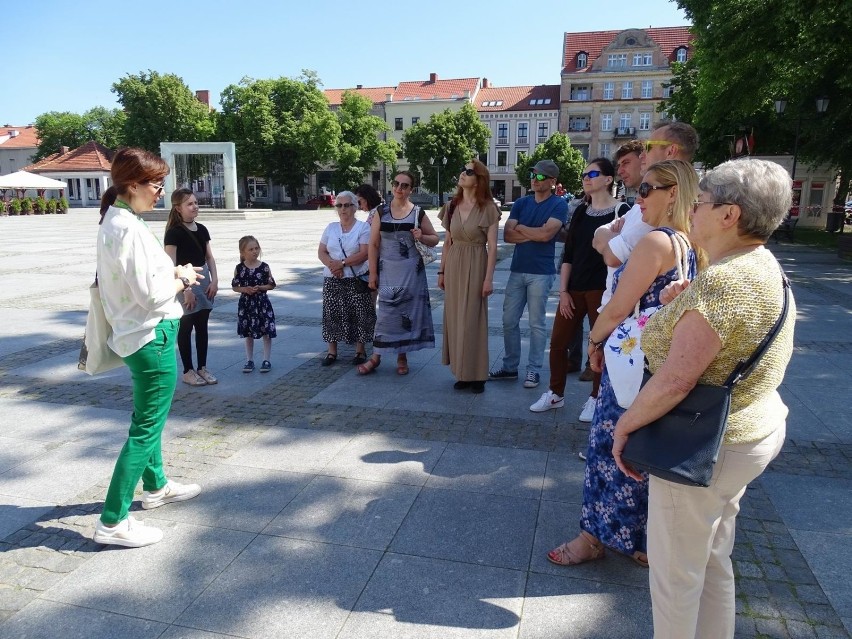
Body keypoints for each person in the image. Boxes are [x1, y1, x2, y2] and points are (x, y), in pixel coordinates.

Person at [613, 158, 795, 637]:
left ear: (729, 214)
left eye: (703, 201)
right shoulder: (761, 265)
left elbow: (675, 381)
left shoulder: (724, 281)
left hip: (703, 446)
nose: (692, 209)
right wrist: (683, 302)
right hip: (750, 432)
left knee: (676, 578)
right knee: (713, 559)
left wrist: (625, 425)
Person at [547, 159, 700, 570]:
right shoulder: (690, 242)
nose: (639, 199)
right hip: (659, 365)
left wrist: (594, 341)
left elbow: (616, 308)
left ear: (673, 194)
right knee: (644, 454)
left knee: (607, 449)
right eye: (639, 190)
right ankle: (643, 541)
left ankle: (591, 537)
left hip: (631, 362)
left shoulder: (656, 242)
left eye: (648, 190)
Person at [92, 147, 202, 548]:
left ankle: (155, 486)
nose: (160, 192)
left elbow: (135, 279)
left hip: (141, 336)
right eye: (156, 185)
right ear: (132, 184)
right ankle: (112, 520)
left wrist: (169, 270)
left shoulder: (117, 219)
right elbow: (153, 296)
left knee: (147, 418)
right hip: (150, 337)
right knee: (145, 429)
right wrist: (184, 277)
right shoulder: (127, 227)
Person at [530, 158, 629, 420]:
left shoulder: (622, 211)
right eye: (584, 174)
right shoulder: (580, 212)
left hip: (603, 290)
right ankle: (555, 393)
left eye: (592, 174)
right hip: (573, 288)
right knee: (558, 343)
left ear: (608, 179)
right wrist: (563, 291)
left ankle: (596, 398)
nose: (586, 178)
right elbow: (569, 254)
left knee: (600, 346)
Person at [490, 159, 568, 389]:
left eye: (541, 176)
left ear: (552, 182)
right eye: (533, 174)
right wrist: (536, 231)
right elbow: (508, 236)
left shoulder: (558, 205)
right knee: (508, 321)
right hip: (517, 270)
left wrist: (523, 229)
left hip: (541, 273)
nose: (535, 179)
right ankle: (510, 367)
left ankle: (533, 370)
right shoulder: (521, 203)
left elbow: (546, 236)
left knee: (536, 324)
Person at [359, 171, 438, 376]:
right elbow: (374, 244)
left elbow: (434, 239)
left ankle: (402, 356)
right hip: (387, 271)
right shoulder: (381, 211)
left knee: (406, 314)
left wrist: (422, 235)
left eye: (405, 185)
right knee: (385, 314)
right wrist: (373, 273)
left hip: (412, 272)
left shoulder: (417, 212)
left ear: (411, 189)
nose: (399, 188)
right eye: (396, 184)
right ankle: (376, 357)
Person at [437, 160, 500, 393]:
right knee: (455, 318)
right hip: (454, 262)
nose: (463, 173)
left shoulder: (489, 208)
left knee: (473, 319)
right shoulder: (451, 205)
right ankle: (462, 371)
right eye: (462, 169)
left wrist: (488, 278)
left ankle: (477, 374)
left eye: (469, 171)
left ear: (480, 178)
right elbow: (447, 242)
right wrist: (441, 270)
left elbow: (493, 246)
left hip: (476, 261)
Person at [164, 188, 219, 386]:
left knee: (202, 326)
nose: (195, 206)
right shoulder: (174, 233)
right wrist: (186, 290)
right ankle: (188, 370)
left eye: (196, 202)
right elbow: (170, 265)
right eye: (189, 204)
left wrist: (215, 280)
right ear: (178, 208)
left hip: (204, 282)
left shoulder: (202, 229)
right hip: (185, 283)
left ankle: (202, 368)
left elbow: (209, 257)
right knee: (186, 327)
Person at [317, 191, 374, 366]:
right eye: (339, 205)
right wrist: (333, 266)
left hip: (355, 278)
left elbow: (364, 253)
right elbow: (321, 251)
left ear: (354, 207)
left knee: (359, 314)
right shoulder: (331, 227)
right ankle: (332, 352)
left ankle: (360, 351)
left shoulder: (363, 228)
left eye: (347, 205)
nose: (343, 209)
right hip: (333, 278)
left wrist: (342, 264)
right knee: (331, 314)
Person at [231, 235, 276, 373]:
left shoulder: (264, 267)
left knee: (266, 331)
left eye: (256, 248)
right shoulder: (239, 268)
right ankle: (249, 360)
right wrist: (244, 289)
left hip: (262, 303)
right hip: (246, 305)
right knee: (248, 332)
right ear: (242, 252)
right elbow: (234, 286)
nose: (254, 251)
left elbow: (271, 284)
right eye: (251, 249)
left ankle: (266, 359)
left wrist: (261, 288)